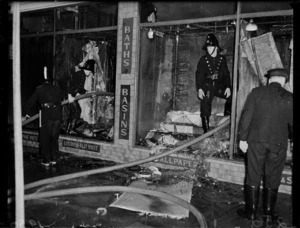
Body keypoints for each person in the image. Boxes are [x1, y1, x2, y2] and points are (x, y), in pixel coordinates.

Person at [237, 68, 293, 225]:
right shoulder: (289, 97)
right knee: (273, 176)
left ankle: (251, 213)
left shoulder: (256, 92)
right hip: (279, 143)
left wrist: (242, 139)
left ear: (269, 79)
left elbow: (246, 116)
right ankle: (268, 213)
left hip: (256, 141)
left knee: (253, 174)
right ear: (283, 81)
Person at [24, 66, 63, 167]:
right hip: (57, 115)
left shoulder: (39, 89)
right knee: (54, 137)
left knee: (45, 138)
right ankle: (54, 158)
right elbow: (60, 100)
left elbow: (30, 102)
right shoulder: (57, 88)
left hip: (46, 115)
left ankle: (46, 160)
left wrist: (25, 113)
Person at [195, 33, 232, 133]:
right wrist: (199, 89)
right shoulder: (203, 60)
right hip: (208, 86)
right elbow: (199, 75)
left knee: (233, 95)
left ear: (216, 47)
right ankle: (206, 131)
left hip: (219, 86)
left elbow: (225, 74)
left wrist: (228, 87)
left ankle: (228, 118)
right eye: (208, 47)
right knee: (205, 101)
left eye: (211, 47)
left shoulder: (221, 59)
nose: (209, 49)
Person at [66, 59, 96, 134]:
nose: (89, 73)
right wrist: (69, 95)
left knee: (75, 112)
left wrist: (87, 92)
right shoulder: (79, 74)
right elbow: (70, 83)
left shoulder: (83, 75)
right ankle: (70, 130)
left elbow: (79, 88)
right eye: (90, 71)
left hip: (72, 96)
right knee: (76, 111)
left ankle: (70, 129)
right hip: (69, 96)